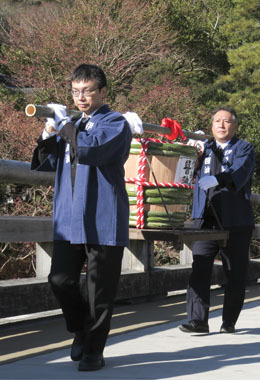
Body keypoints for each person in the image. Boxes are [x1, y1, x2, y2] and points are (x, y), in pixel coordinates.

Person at [31, 64, 132, 371]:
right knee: (60, 279)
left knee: (99, 289)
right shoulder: (72, 125)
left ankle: (94, 350)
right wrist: (48, 133)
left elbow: (89, 149)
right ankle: (80, 329)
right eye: (75, 91)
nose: (81, 97)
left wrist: (64, 126)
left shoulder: (116, 122)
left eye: (88, 90)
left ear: (103, 91)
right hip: (69, 216)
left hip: (103, 217)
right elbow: (45, 163)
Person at [179, 106, 255, 334]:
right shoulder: (204, 148)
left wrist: (218, 180)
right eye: (217, 121)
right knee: (200, 267)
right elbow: (184, 172)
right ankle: (197, 321)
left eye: (226, 121)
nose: (221, 125)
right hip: (206, 219)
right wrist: (190, 154)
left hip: (236, 220)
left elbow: (240, 175)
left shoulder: (244, 148)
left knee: (235, 272)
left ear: (235, 126)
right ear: (211, 125)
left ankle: (229, 321)